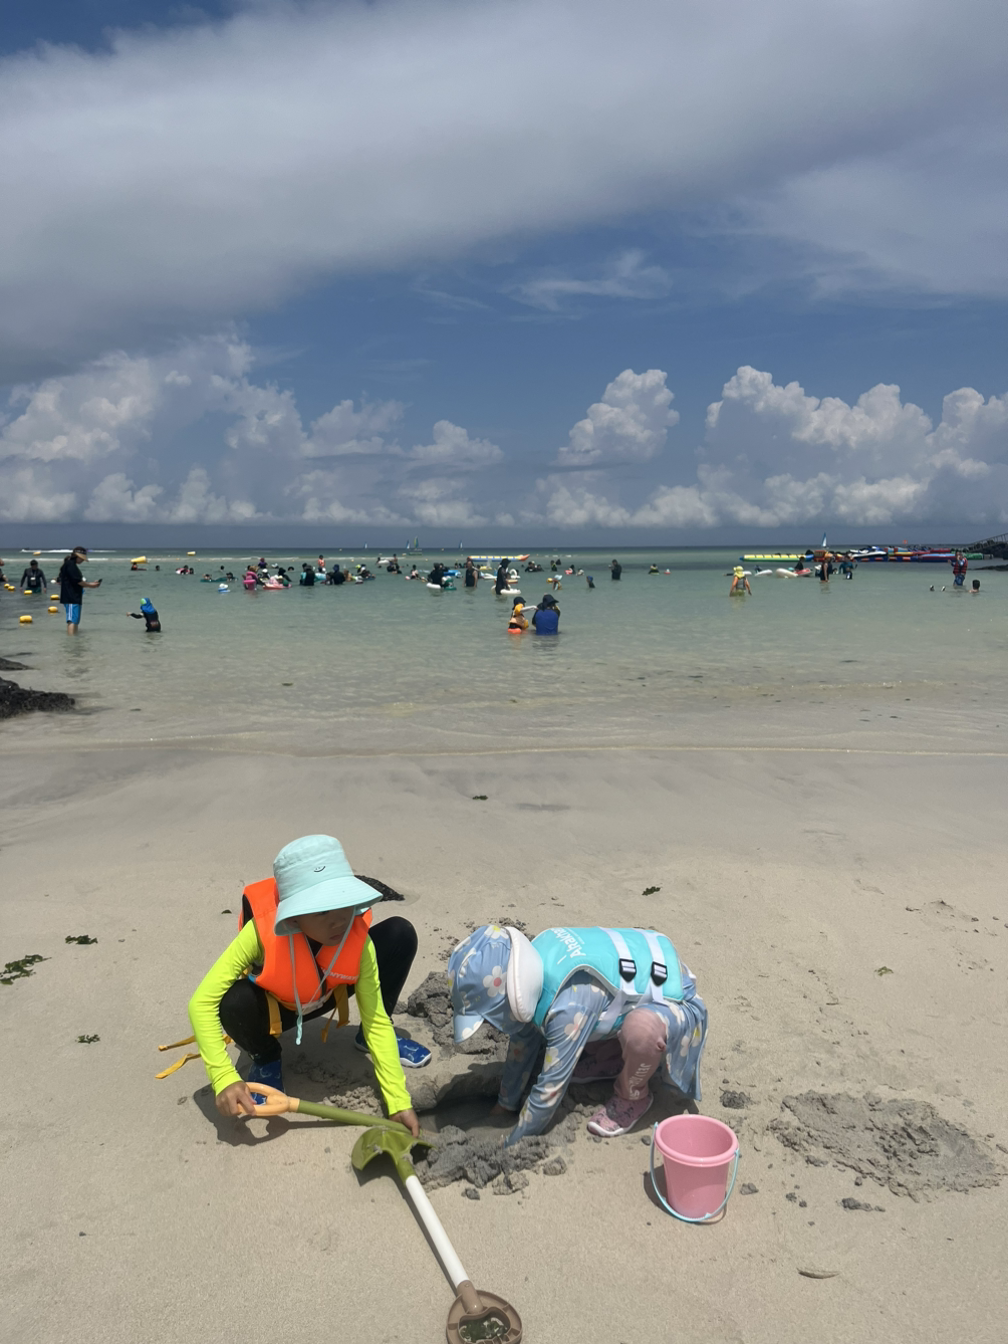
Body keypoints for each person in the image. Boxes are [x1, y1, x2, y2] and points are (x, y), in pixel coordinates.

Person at [188, 834, 431, 1126]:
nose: (338, 920)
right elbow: (201, 1003)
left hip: (329, 993)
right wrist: (224, 1077)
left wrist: (398, 1101)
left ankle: (364, 1039)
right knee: (234, 1001)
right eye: (322, 910)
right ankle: (266, 1057)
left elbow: (376, 1020)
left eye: (343, 902)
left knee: (399, 933)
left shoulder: (356, 938)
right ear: (293, 917)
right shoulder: (259, 933)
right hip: (280, 1009)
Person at [449, 923, 707, 1141]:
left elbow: (550, 1088)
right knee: (598, 1016)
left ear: (512, 994)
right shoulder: (533, 959)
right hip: (626, 993)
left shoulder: (568, 1007)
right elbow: (523, 1038)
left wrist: (516, 1138)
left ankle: (633, 1095)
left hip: (678, 1002)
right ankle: (611, 1059)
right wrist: (505, 1104)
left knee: (640, 1031)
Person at [57, 547, 101, 635]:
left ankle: (74, 639)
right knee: (72, 620)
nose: (83, 560)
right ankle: (71, 640)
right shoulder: (70, 565)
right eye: (82, 558)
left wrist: (91, 584)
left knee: (75, 620)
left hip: (75, 596)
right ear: (77, 556)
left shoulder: (71, 565)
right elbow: (78, 582)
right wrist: (92, 585)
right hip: (71, 597)